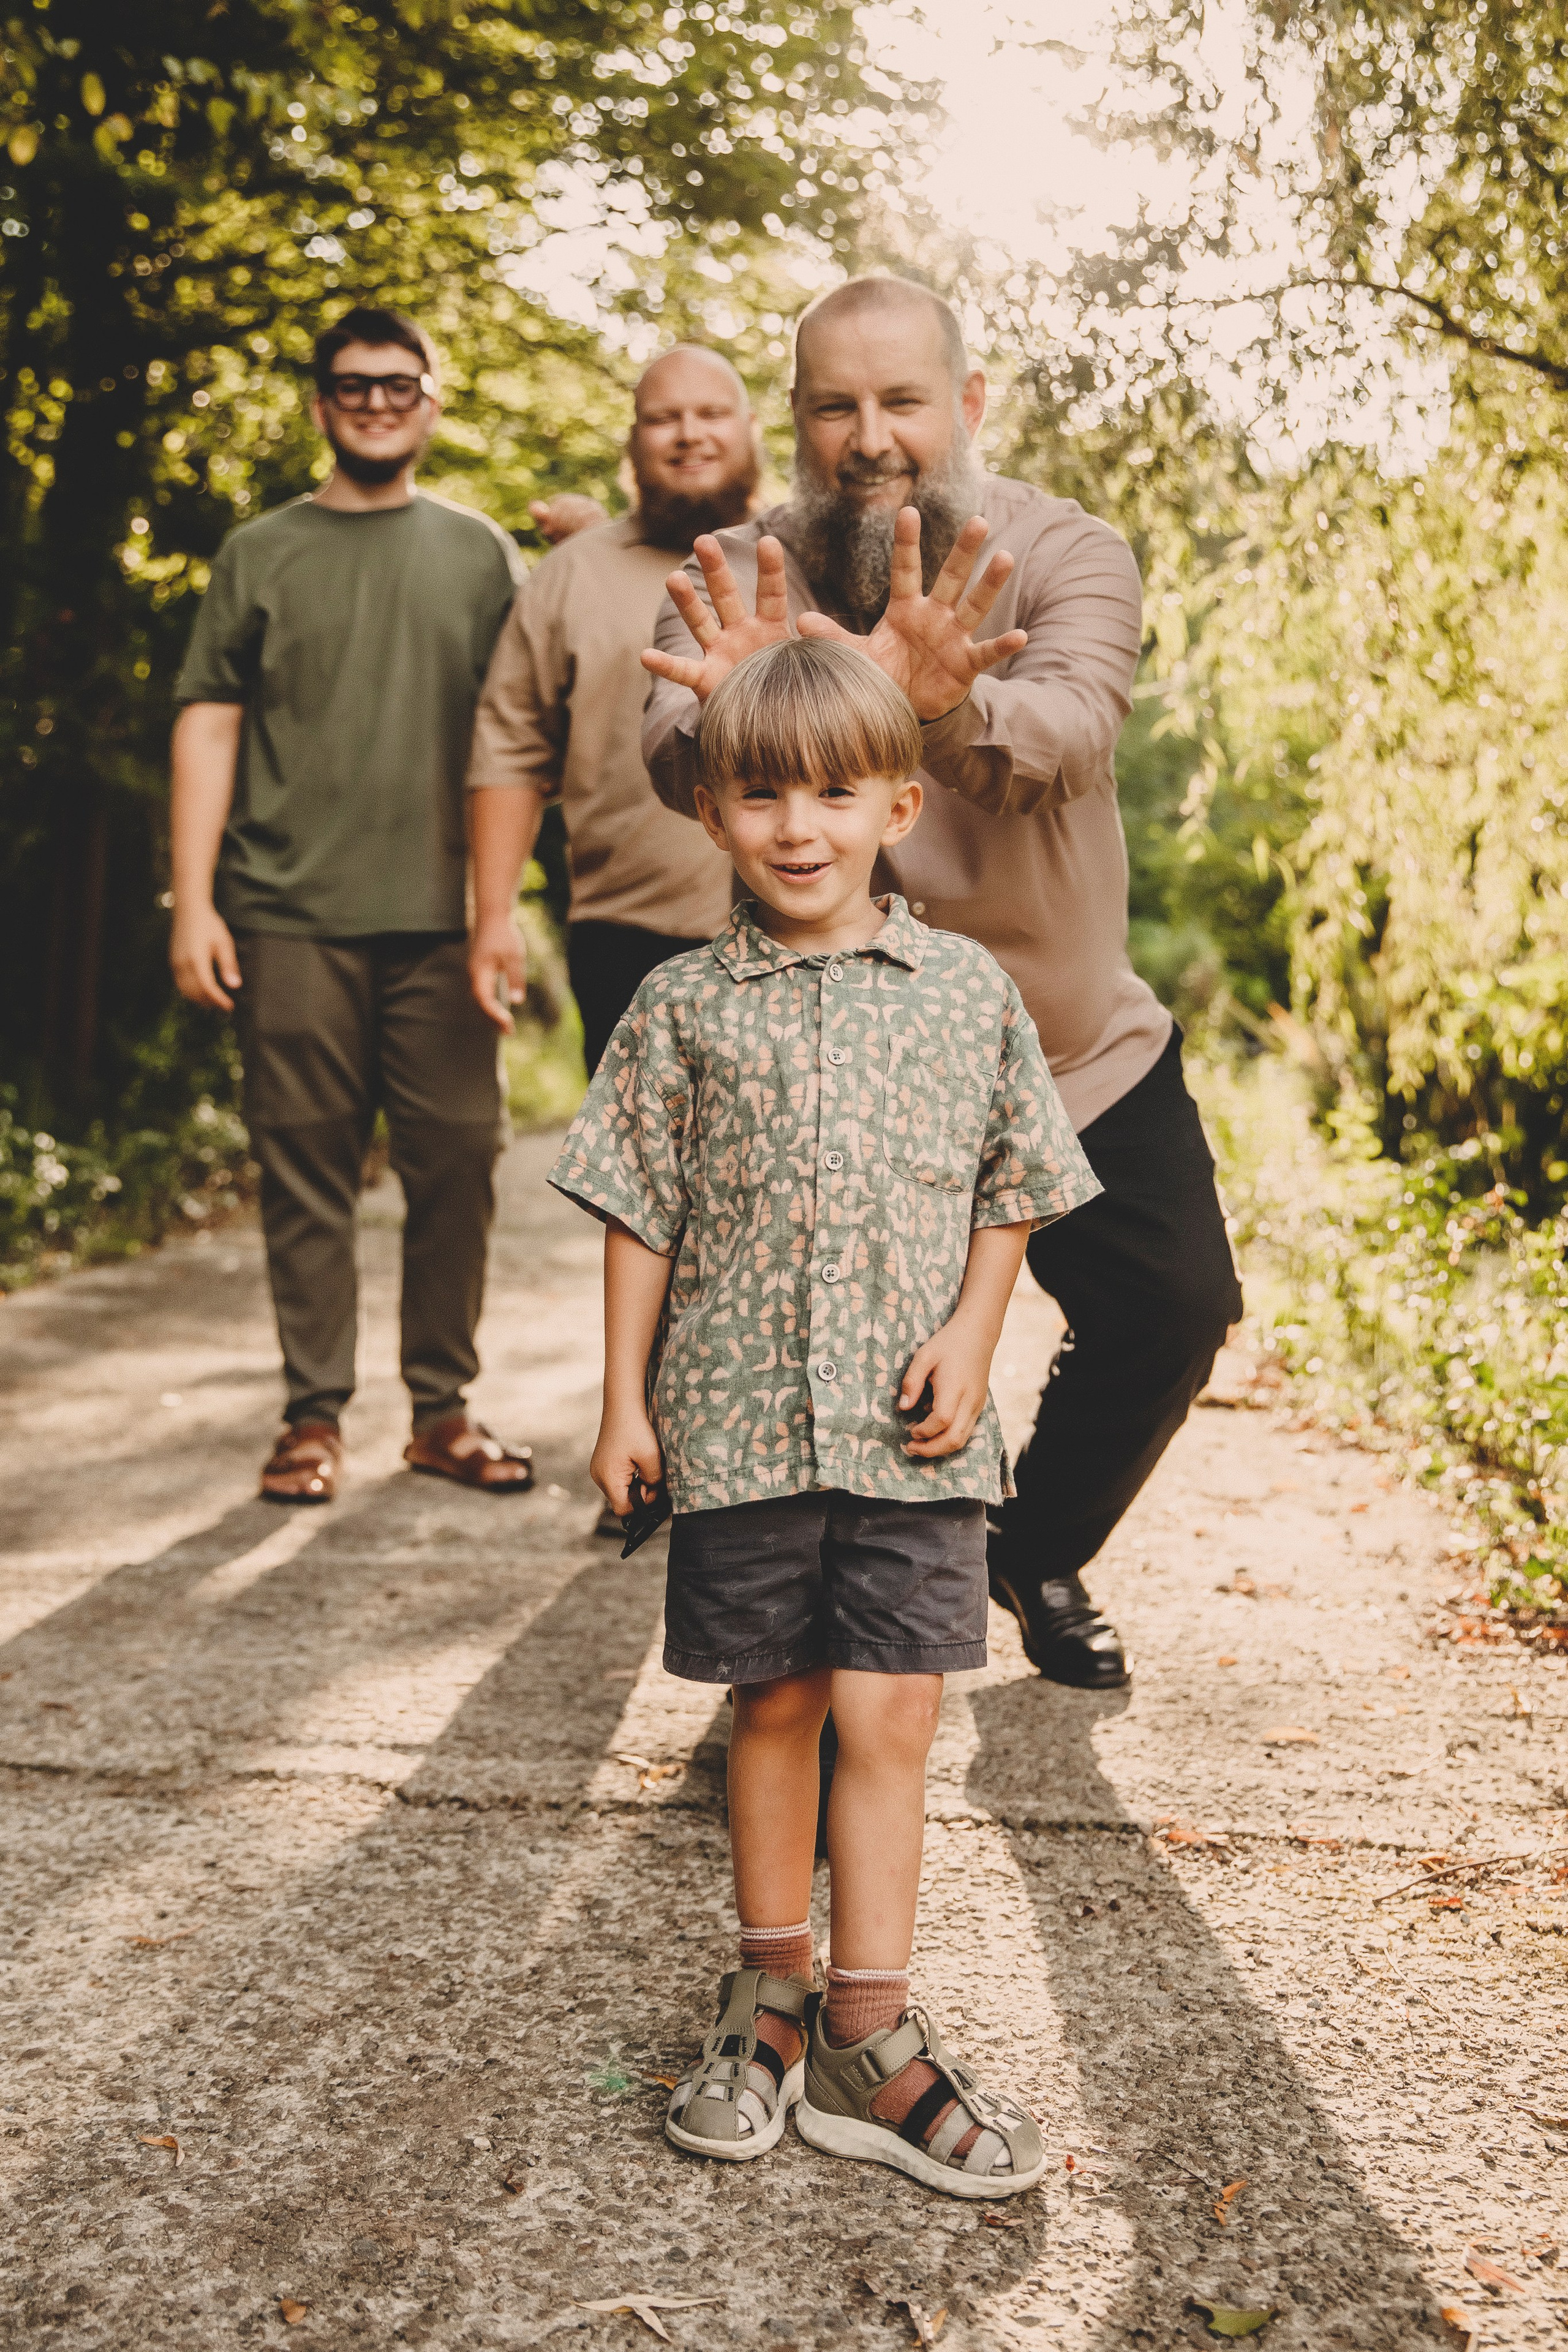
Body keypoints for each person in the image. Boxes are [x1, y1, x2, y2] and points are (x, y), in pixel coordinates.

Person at [550, 637, 1099, 2190]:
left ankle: (870, 2031)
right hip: (733, 1427)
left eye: (834, 793)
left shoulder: (964, 991)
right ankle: (770, 1989)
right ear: (712, 810)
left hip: (911, 1434)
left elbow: (1014, 1184)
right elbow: (636, 1211)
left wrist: (974, 1331)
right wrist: (618, 1403)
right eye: (761, 794)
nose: (798, 825)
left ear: (896, 803)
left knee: (894, 1708)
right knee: (774, 1702)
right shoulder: (675, 1006)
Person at [641, 274, 1243, 1691]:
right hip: (831, 1057)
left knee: (1173, 1305)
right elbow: (677, 754)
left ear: (964, 404)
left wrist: (938, 701)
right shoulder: (743, 564)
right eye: (835, 404)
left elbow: (1070, 734)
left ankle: (1030, 1551)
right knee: (848, 1374)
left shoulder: (1064, 551)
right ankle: (817, 1671)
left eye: (902, 400)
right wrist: (752, 707)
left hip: (1064, 1036)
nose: (870, 436)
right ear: (794, 421)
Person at [168, 304, 535, 1505]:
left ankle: (441, 1412)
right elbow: (210, 721)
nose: (375, 401)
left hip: (442, 919)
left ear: (430, 399)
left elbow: (519, 736)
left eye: (397, 382)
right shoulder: (259, 553)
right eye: (350, 383)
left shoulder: (480, 553)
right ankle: (311, 1419)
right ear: (322, 402)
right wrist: (196, 901)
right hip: (287, 913)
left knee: (458, 1166)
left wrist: (501, 906)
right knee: (304, 1170)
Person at [464, 344, 756, 1079]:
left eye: (711, 413)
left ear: (752, 429)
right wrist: (494, 916)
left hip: (815, 930)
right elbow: (509, 749)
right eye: (664, 418)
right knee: (640, 1190)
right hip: (627, 940)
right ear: (633, 442)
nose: (689, 433)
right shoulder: (571, 574)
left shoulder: (808, 555)